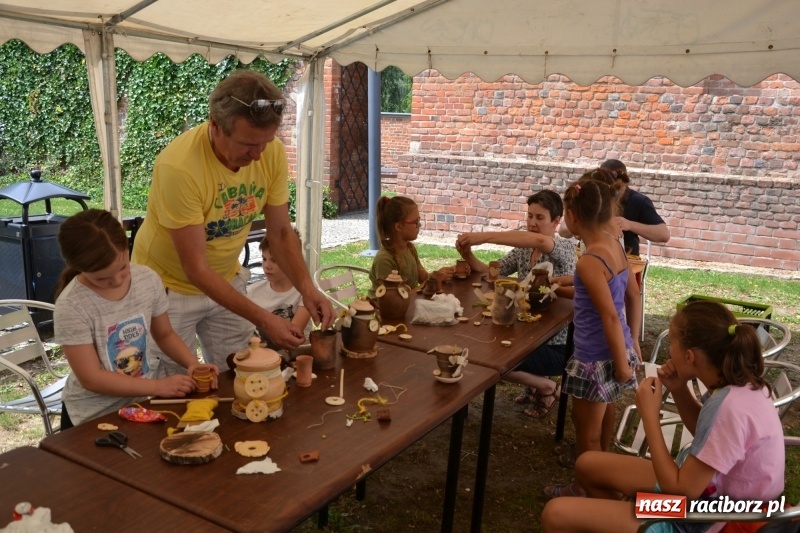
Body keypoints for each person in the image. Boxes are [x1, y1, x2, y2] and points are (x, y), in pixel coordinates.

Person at [132, 69, 334, 374]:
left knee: (244, 371)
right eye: (248, 144)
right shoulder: (180, 167)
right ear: (215, 125)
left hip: (225, 277)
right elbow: (196, 269)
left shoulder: (271, 152)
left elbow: (279, 232)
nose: (257, 155)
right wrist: (264, 318)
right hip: (168, 290)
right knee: (176, 382)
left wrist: (306, 287)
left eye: (265, 142)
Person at [541, 301, 785, 532]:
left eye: (672, 343)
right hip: (709, 500)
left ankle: (642, 518)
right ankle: (626, 515)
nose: (670, 350)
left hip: (705, 519)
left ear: (689, 357)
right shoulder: (739, 383)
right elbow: (710, 436)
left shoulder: (730, 407)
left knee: (555, 514)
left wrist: (650, 417)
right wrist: (678, 389)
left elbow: (680, 490)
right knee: (587, 464)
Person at [54, 209, 219, 429]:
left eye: (123, 268)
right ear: (79, 268)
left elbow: (165, 334)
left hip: (141, 402)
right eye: (102, 278)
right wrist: (157, 387)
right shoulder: (72, 305)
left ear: (126, 247)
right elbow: (91, 378)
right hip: (93, 414)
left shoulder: (147, 279)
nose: (117, 280)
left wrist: (193, 365)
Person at [545, 174, 641, 498]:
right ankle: (592, 484)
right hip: (614, 350)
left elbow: (609, 316)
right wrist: (560, 283)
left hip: (596, 358)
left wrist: (622, 367)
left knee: (586, 435)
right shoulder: (613, 244)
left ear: (571, 216)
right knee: (586, 418)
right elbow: (613, 295)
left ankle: (598, 499)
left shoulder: (588, 260)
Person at [455, 190, 577, 417]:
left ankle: (547, 387)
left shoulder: (565, 248)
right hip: (528, 335)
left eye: (540, 218)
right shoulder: (524, 250)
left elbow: (541, 240)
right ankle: (536, 384)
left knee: (489, 358)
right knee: (482, 346)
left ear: (556, 221)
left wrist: (483, 237)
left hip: (556, 345)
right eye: (530, 216)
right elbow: (493, 272)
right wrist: (469, 255)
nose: (532, 223)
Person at [561, 160, 669, 256]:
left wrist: (630, 225)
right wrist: (583, 229)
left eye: (615, 188)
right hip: (589, 254)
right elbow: (563, 231)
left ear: (623, 184)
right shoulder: (591, 197)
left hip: (625, 258)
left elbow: (664, 235)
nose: (610, 194)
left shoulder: (639, 201)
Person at [368, 196, 453, 297]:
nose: (419, 225)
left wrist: (437, 276)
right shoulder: (384, 260)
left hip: (408, 306)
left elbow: (423, 278)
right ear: (398, 227)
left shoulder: (409, 248)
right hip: (383, 311)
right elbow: (396, 298)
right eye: (416, 222)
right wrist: (430, 281)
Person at [247, 232, 312, 347]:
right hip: (263, 357)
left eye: (274, 260)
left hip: (297, 355)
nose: (267, 266)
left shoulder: (305, 292)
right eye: (264, 259)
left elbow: (293, 335)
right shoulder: (252, 292)